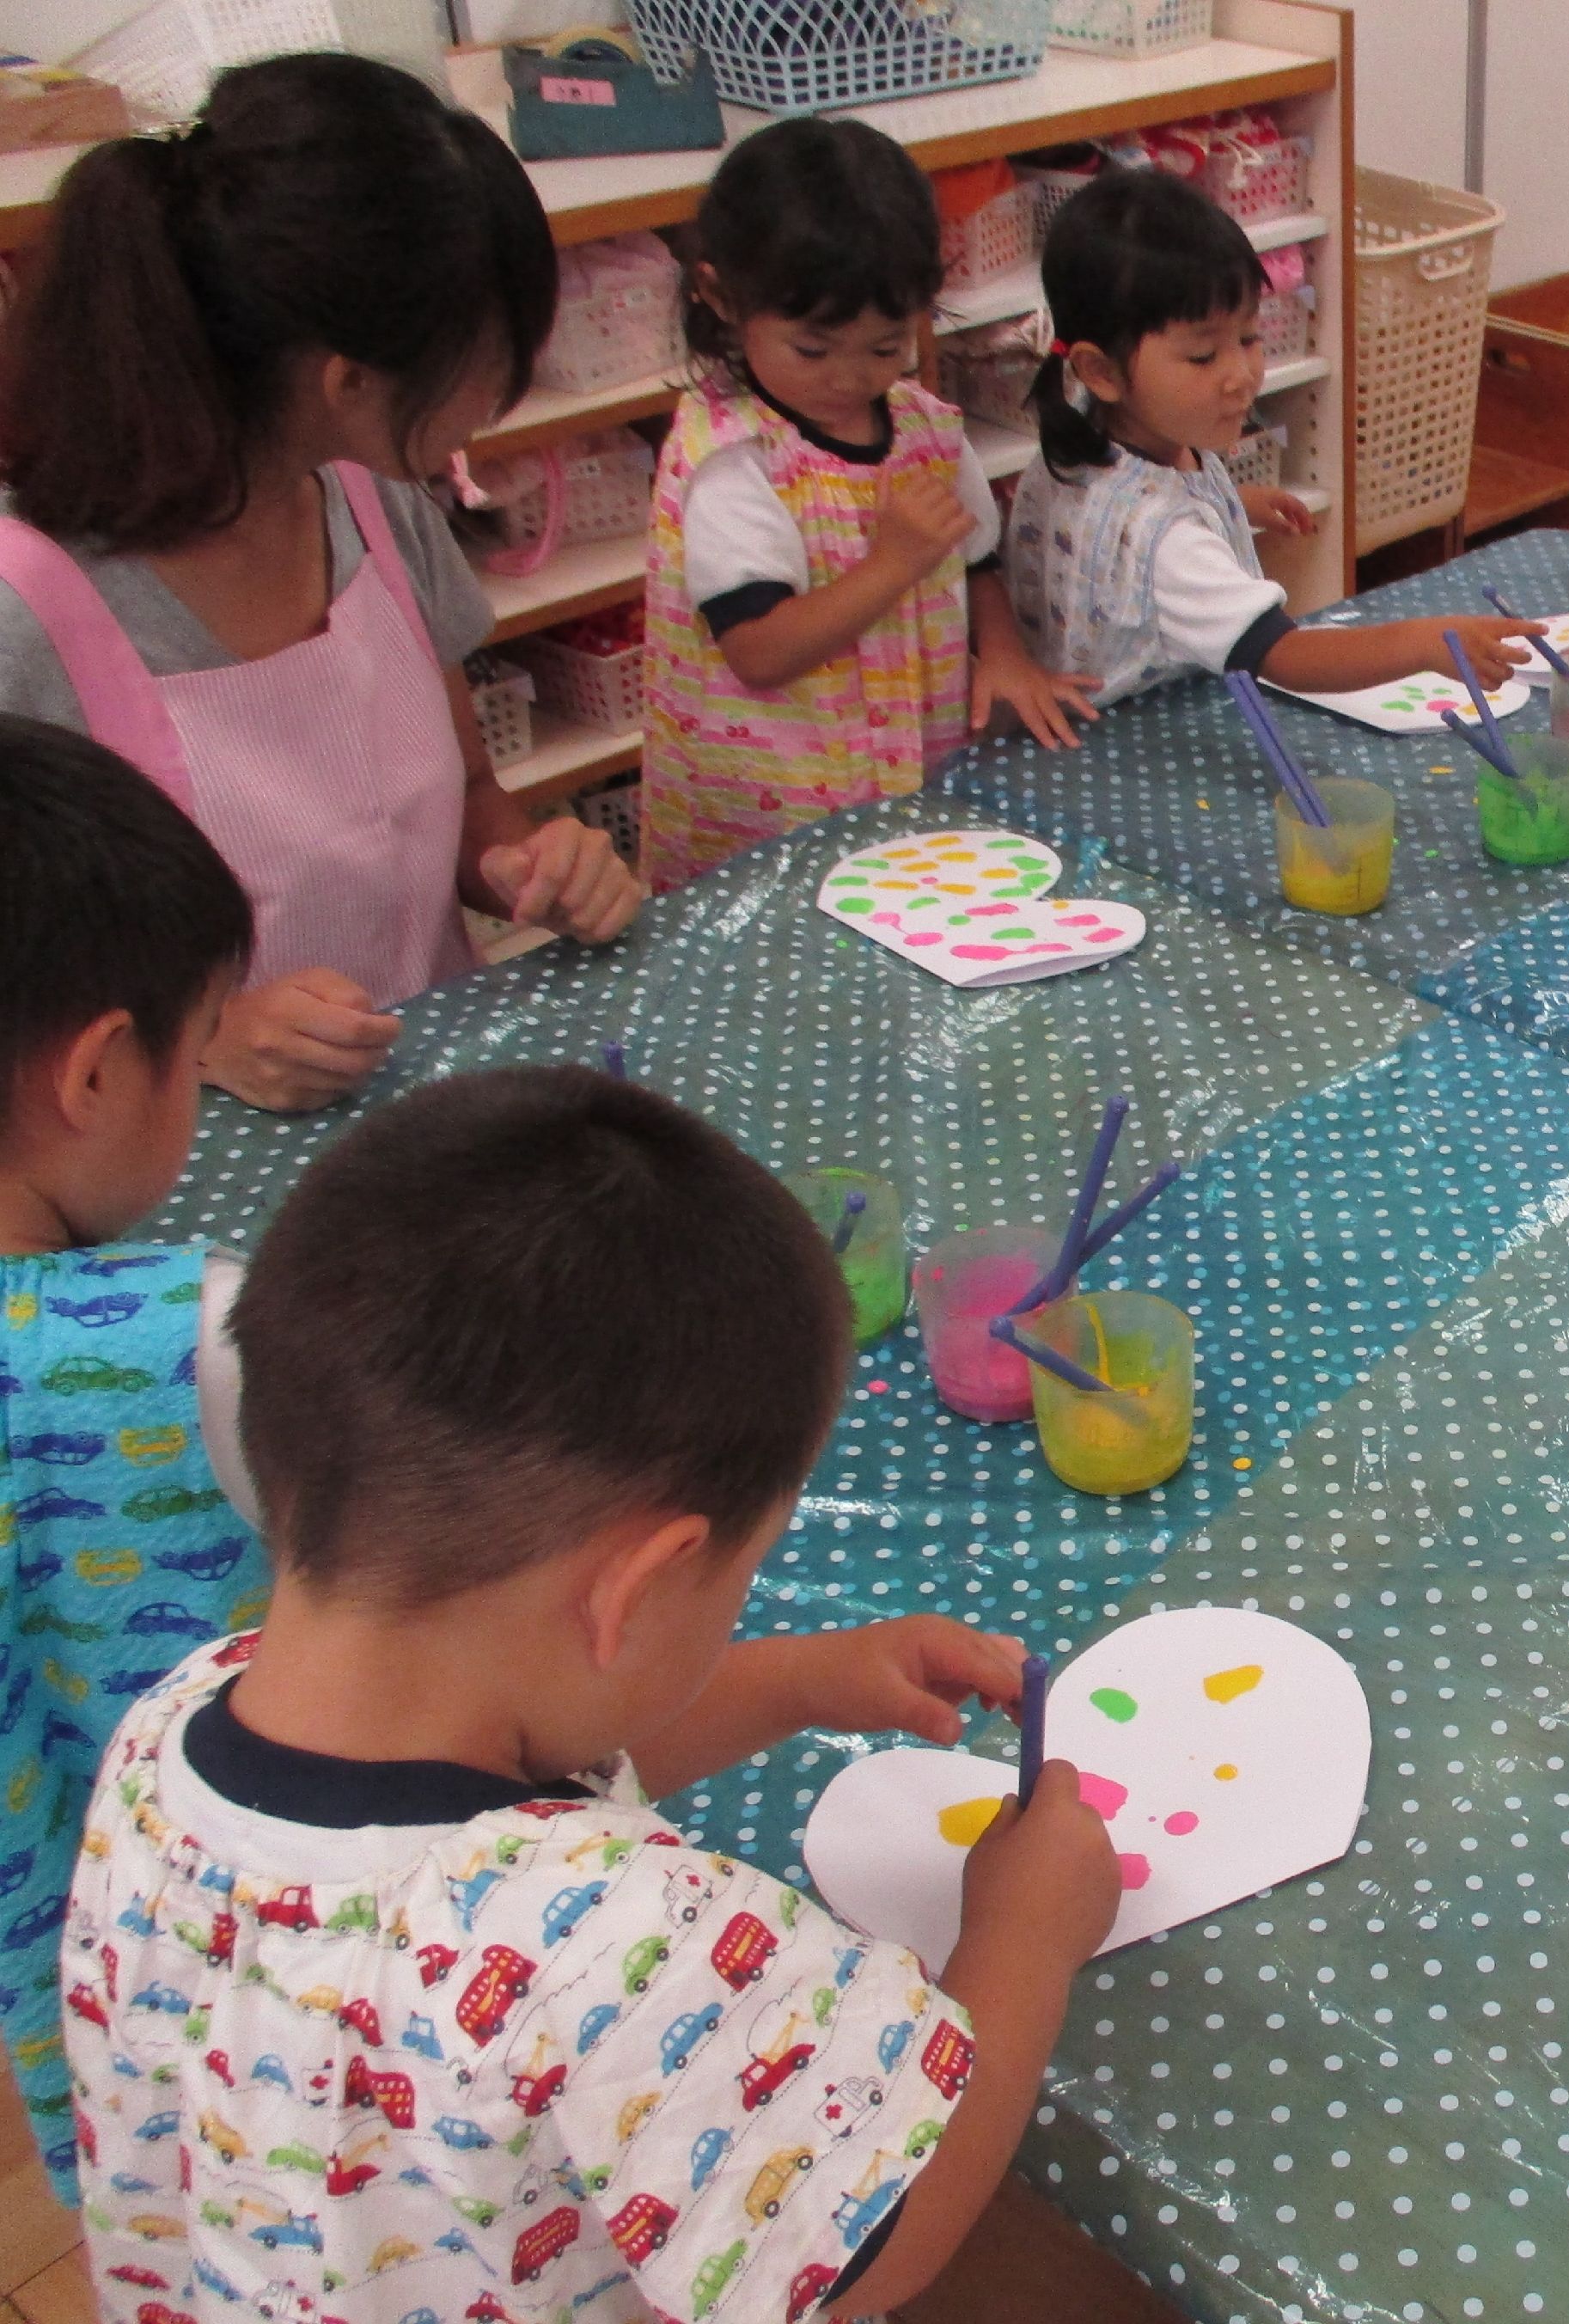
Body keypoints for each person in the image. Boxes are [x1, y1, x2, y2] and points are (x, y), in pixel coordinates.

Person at [64, 1067, 1121, 2317]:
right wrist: (1025, 1937)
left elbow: (465, 1829)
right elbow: (877, 2240)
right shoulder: (621, 1948)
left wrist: (801, 1678)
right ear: (642, 1584)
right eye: (744, 1575)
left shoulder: (169, 1726)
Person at [0, 53, 641, 1115]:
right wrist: (204, 1039)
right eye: (492, 365)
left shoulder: (374, 505)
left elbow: (469, 796)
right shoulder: (29, 612)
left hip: (425, 1104)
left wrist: (530, 864)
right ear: (348, 380)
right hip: (185, 1158)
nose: (502, 401)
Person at [0, 720, 262, 2199]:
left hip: (72, 1991)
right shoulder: (193, 1331)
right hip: (285, 1968)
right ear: (99, 1071)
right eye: (199, 1050)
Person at [642, 118, 1093, 890]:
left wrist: (1005, 656)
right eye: (813, 349)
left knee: (901, 909)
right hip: (774, 810)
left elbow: (975, 558)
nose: (851, 377)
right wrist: (893, 563)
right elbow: (759, 651)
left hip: (905, 762)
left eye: (886, 346)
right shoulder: (734, 459)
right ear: (721, 297)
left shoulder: (923, 428)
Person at [1007, 167, 1535, 704]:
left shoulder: (1081, 427)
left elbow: (1115, 526)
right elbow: (1284, 656)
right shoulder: (1169, 545)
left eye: (1249, 337)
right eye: (1203, 356)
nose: (1242, 375)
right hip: (1145, 740)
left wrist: (1231, 502)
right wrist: (1422, 644)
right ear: (1101, 370)